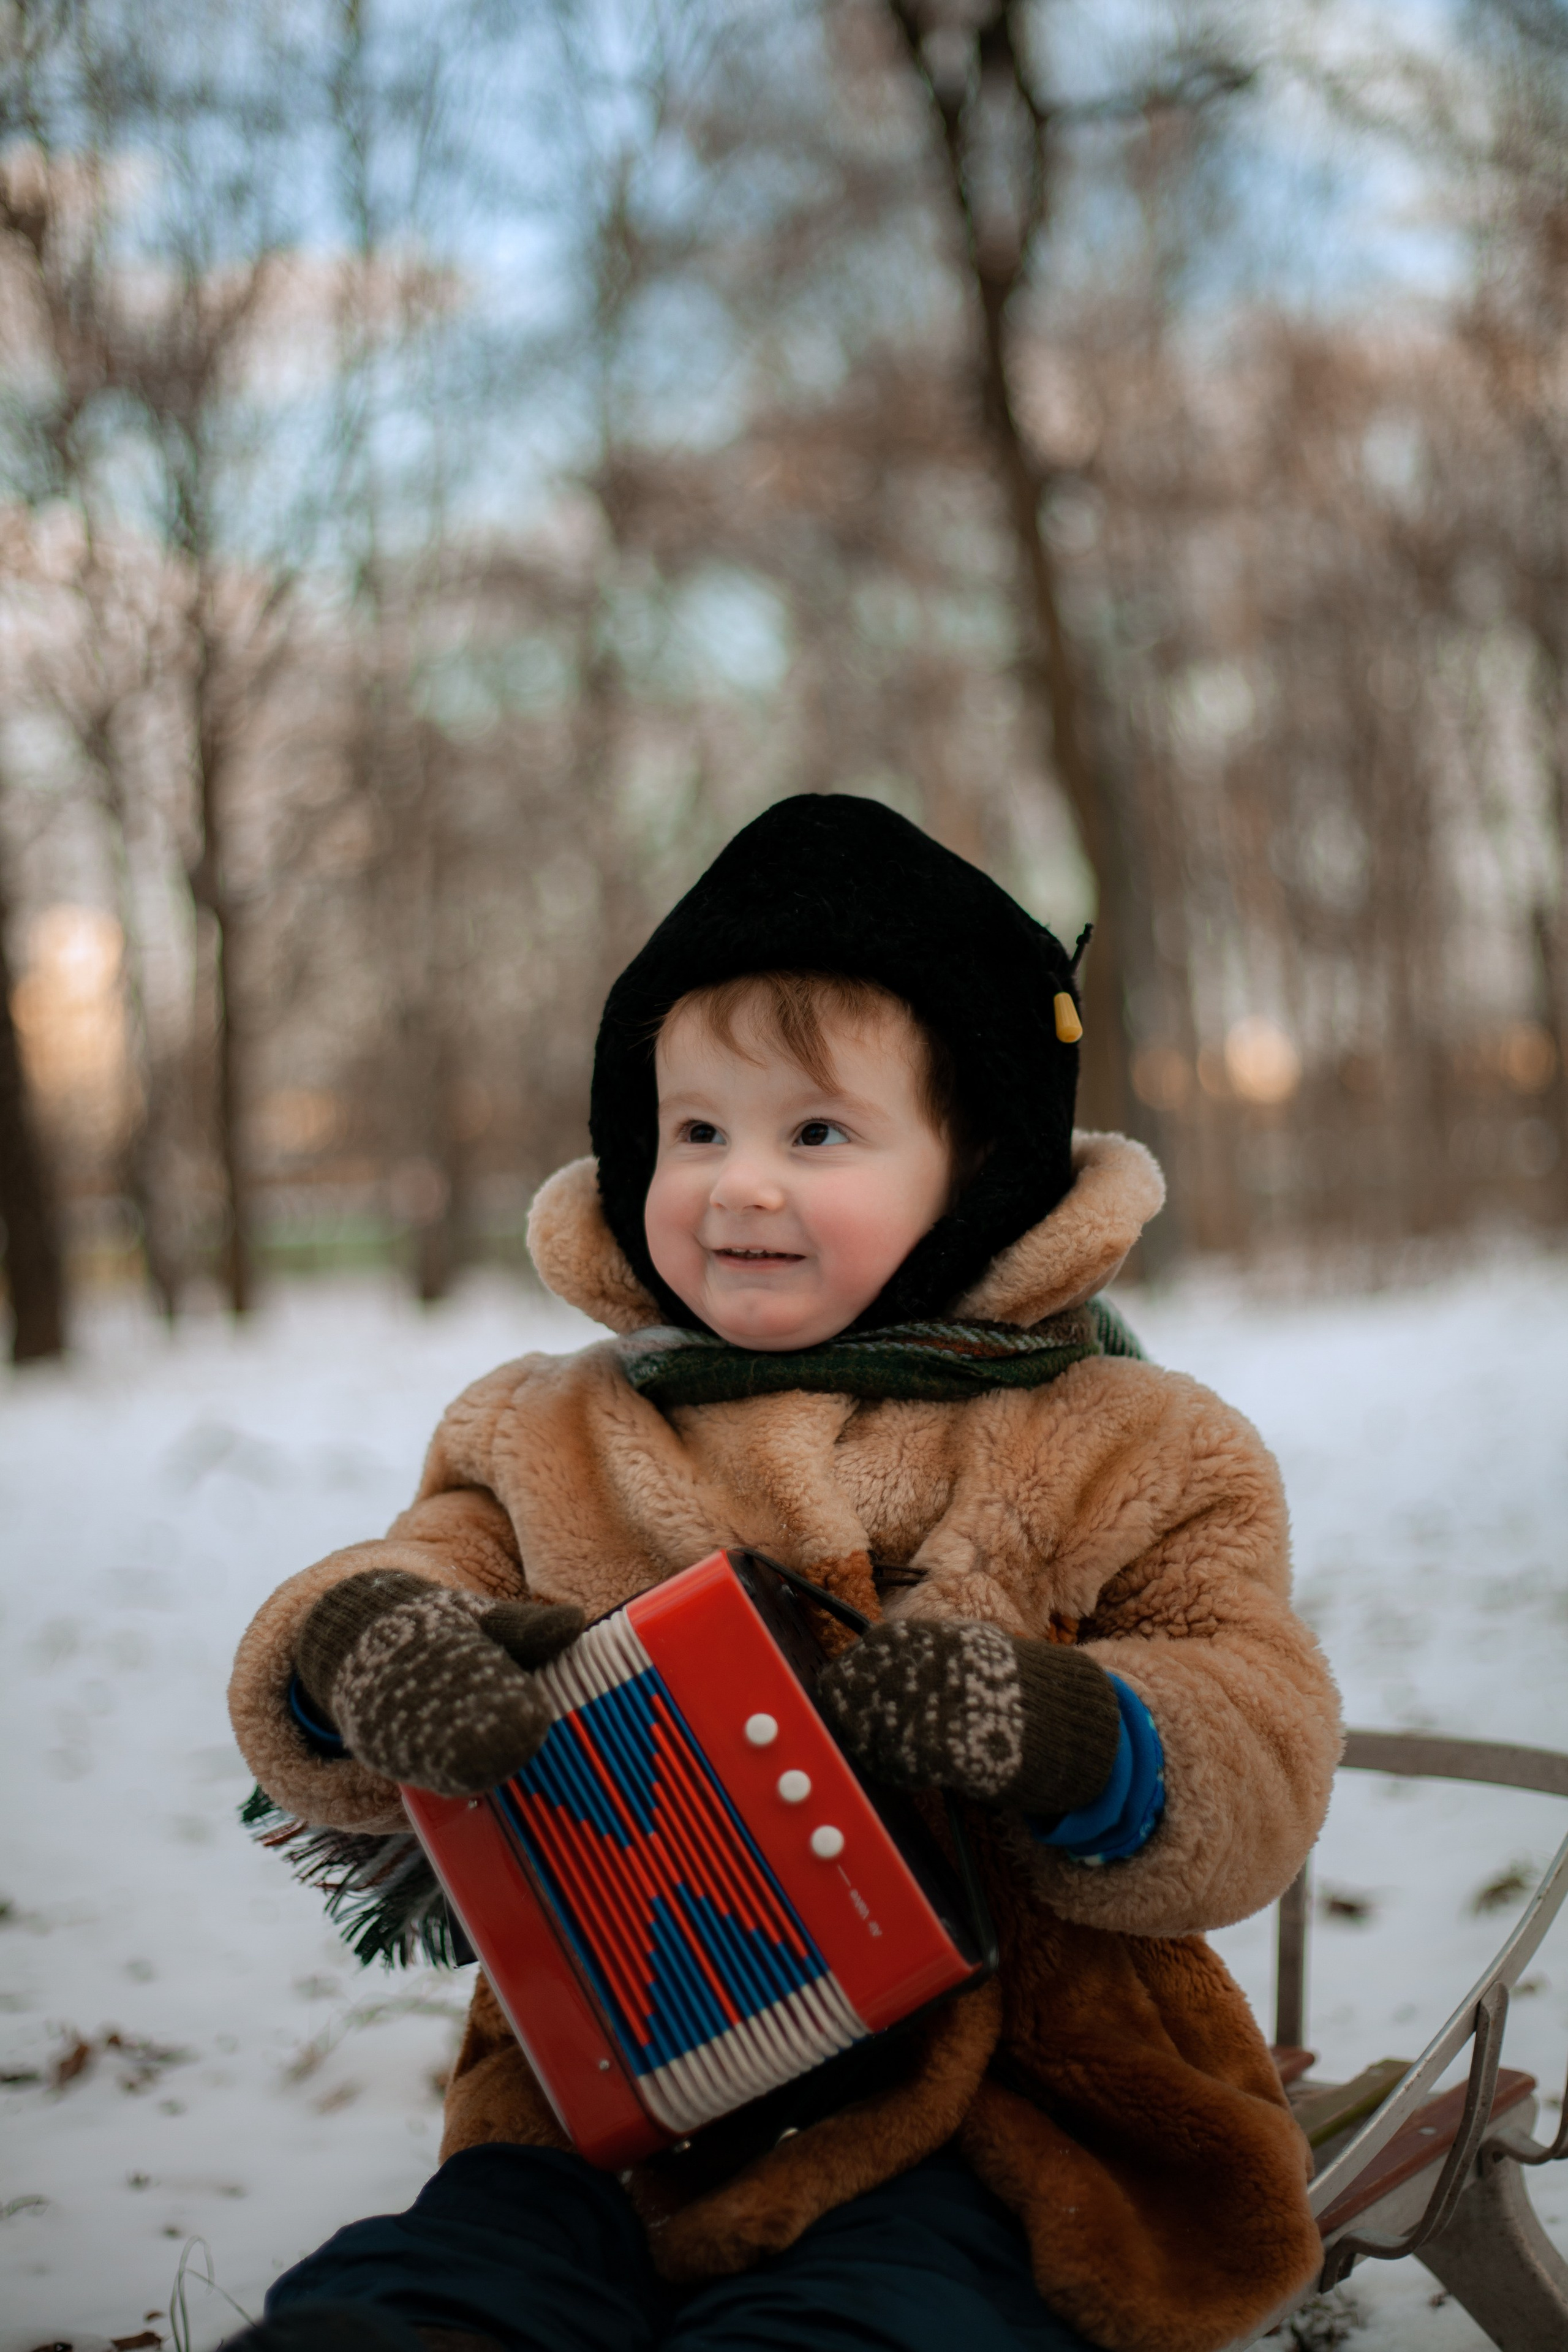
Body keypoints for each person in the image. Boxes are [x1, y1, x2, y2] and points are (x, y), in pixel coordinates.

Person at [225, 795, 1340, 2352]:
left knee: (869, 2318)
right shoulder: (549, 1428)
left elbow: (1260, 1720)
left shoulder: (1128, 1442)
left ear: (976, 1164)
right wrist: (366, 1651)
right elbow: (417, 1568)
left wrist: (1079, 1726)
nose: (738, 1185)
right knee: (421, 2298)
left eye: (814, 1132)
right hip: (604, 2103)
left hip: (1017, 2111)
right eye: (697, 1132)